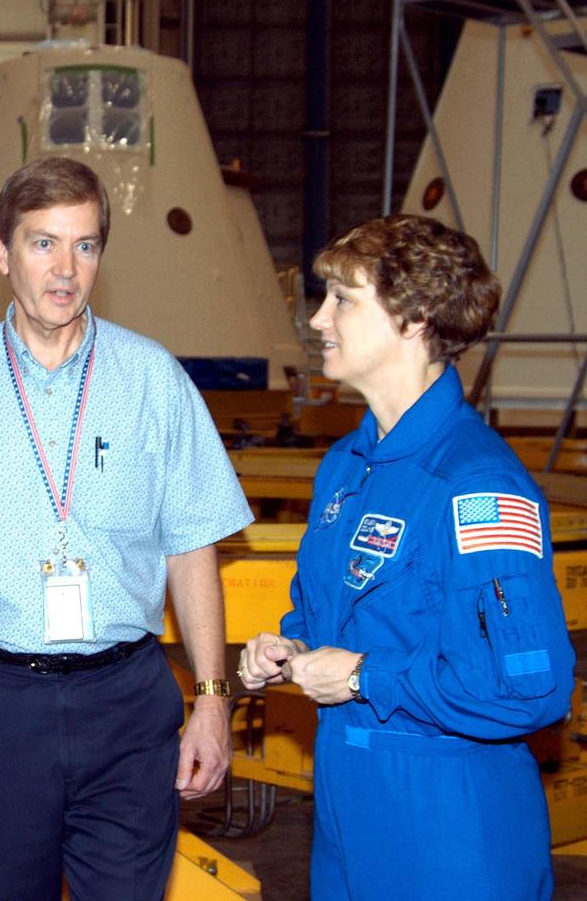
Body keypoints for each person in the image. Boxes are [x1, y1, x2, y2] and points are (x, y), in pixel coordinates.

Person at [0, 156, 253, 900]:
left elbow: (192, 548)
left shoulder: (154, 381)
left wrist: (211, 699)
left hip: (128, 705)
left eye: (86, 245)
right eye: (43, 244)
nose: (65, 269)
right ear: (2, 252)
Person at [239, 214, 575, 901]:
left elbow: (529, 687)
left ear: (416, 316)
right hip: (345, 817)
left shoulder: (476, 485)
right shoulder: (346, 468)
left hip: (449, 830)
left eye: (342, 299)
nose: (319, 318)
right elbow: (332, 613)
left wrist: (363, 677)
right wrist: (290, 648)